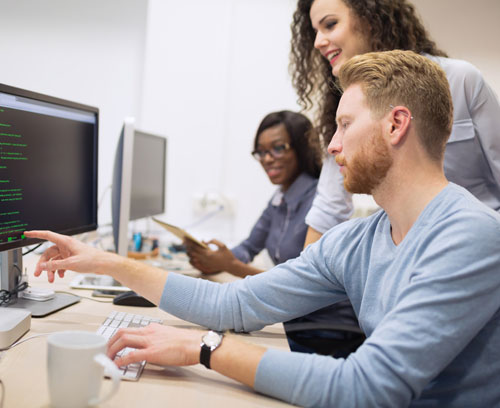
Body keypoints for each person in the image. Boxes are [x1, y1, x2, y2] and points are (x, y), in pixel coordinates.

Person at [26, 51, 500, 407]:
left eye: (344, 124)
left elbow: (368, 386)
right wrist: (104, 261)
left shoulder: (470, 235)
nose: (332, 146)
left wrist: (206, 348)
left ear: (396, 124)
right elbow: (234, 303)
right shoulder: (359, 239)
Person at [288, 0, 500, 355]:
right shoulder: (345, 107)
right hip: (407, 276)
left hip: (476, 269)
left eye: (329, 25)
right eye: (313, 31)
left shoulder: (460, 80)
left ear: (370, 18)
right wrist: (298, 286)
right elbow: (327, 209)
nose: (318, 42)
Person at [185, 110, 321, 278]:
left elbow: (300, 281)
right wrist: (212, 262)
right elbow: (248, 247)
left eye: (278, 148)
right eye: (261, 152)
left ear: (302, 148)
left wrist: (229, 265)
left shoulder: (321, 201)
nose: (267, 159)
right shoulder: (279, 198)